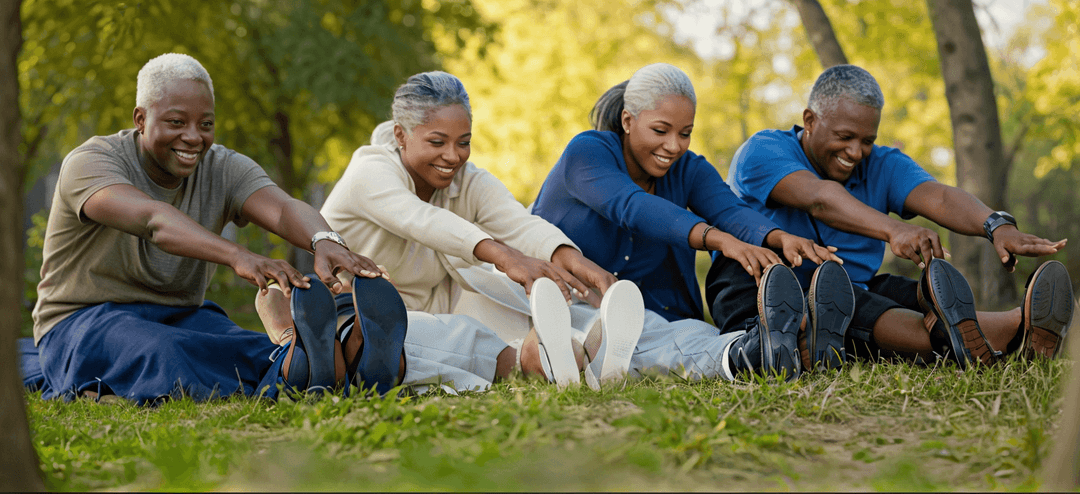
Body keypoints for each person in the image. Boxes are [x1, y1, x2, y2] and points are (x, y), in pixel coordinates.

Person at [22, 53, 401, 405]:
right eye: (176, 122)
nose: (193, 137)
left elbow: (283, 209)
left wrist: (325, 241)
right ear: (140, 119)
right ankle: (303, 366)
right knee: (162, 354)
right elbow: (154, 220)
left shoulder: (222, 166)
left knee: (243, 345)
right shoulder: (91, 163)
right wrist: (238, 255)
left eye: (206, 124)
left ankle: (339, 358)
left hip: (181, 314)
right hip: (82, 322)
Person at [275, 71, 648, 392]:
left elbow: (518, 223)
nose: (453, 156)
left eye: (463, 142)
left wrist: (577, 263)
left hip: (440, 300)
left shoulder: (468, 181)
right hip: (360, 315)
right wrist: (507, 257)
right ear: (401, 135)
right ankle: (531, 359)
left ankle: (580, 348)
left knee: (498, 294)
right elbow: (421, 220)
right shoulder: (369, 171)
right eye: (437, 142)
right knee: (444, 336)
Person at [711, 64, 1074, 368]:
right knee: (844, 304)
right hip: (762, 291)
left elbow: (942, 197)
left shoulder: (881, 164)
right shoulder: (764, 150)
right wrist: (893, 230)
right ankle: (1013, 328)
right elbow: (821, 198)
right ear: (809, 119)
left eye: (867, 140)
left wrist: (995, 225)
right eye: (845, 136)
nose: (855, 152)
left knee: (908, 292)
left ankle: (982, 334)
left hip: (849, 287)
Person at [531, 63, 854, 380]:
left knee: (696, 333)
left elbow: (729, 210)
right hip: (566, 301)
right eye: (660, 131)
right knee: (633, 342)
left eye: (685, 134)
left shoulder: (688, 169)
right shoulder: (587, 152)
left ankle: (782, 347)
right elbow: (631, 206)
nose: (674, 146)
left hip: (655, 316)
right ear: (628, 121)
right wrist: (720, 240)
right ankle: (758, 353)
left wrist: (779, 237)